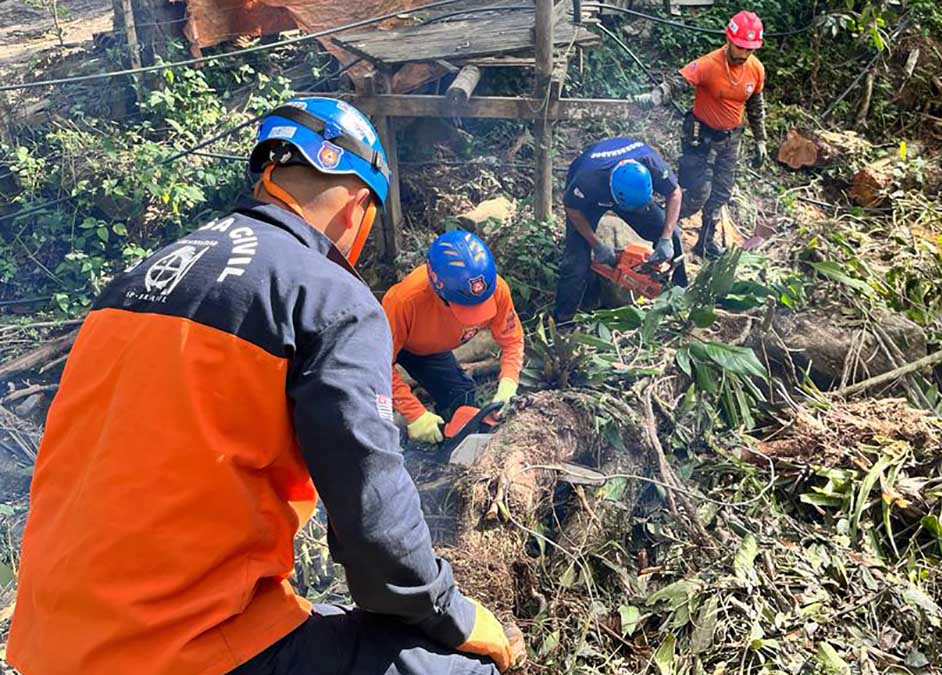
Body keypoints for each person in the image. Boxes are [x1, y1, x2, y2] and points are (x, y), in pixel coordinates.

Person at [6, 97, 516, 675]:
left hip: (52, 637)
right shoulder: (327, 297)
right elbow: (377, 534)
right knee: (462, 668)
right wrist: (451, 611)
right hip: (181, 644)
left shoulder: (133, 281)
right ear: (356, 208)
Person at [634, 9, 769, 259]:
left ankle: (706, 241)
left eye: (749, 49)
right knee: (698, 193)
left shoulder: (756, 69)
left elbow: (755, 105)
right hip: (701, 136)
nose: (743, 54)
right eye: (739, 47)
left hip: (730, 139)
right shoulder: (709, 64)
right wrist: (654, 97)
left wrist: (761, 139)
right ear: (728, 39)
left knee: (720, 192)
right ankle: (659, 223)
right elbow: (677, 82)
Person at [382, 230, 525, 444]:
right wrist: (414, 414)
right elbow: (377, 364)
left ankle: (448, 447)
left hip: (431, 352)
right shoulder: (404, 301)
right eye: (465, 307)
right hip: (396, 342)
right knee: (371, 413)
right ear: (438, 291)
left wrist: (508, 383)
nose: (472, 317)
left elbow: (512, 341)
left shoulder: (496, 290)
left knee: (463, 401)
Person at [552, 136, 688, 324]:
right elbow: (572, 209)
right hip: (588, 201)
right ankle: (563, 321)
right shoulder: (587, 180)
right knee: (576, 263)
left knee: (672, 234)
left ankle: (679, 295)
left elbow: (674, 193)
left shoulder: (650, 162)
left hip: (632, 197)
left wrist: (665, 238)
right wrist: (596, 245)